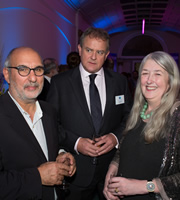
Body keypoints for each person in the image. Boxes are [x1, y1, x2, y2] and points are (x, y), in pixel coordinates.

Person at [47, 27, 132, 200]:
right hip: (75, 174)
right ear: (79, 49)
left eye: (99, 52)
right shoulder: (59, 83)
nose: (93, 57)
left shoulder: (119, 82)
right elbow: (50, 124)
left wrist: (115, 137)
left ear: (107, 54)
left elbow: (129, 117)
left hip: (111, 171)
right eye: (88, 50)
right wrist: (77, 143)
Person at [1, 47, 76, 200]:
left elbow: (48, 146)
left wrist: (61, 154)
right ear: (7, 74)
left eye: (38, 69)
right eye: (23, 69)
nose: (33, 78)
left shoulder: (48, 110)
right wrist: (38, 177)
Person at [103, 51, 180, 200]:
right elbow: (124, 150)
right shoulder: (138, 111)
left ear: (170, 81)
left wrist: (144, 187)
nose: (149, 80)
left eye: (157, 74)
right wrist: (111, 171)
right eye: (145, 73)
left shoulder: (177, 117)